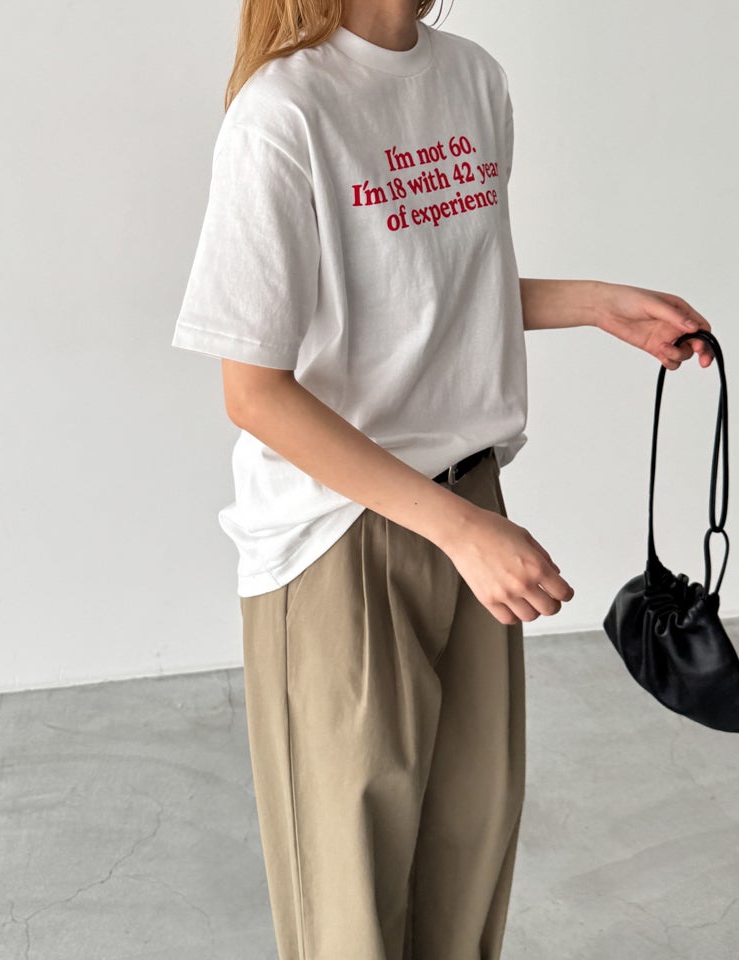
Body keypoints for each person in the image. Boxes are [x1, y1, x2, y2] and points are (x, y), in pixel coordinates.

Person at [171, 1, 714, 957]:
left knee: (467, 868)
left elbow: (423, 288)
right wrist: (460, 532)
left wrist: (597, 304)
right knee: (352, 907)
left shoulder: (471, 78)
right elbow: (254, 391)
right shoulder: (283, 113)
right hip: (339, 538)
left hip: (471, 505)